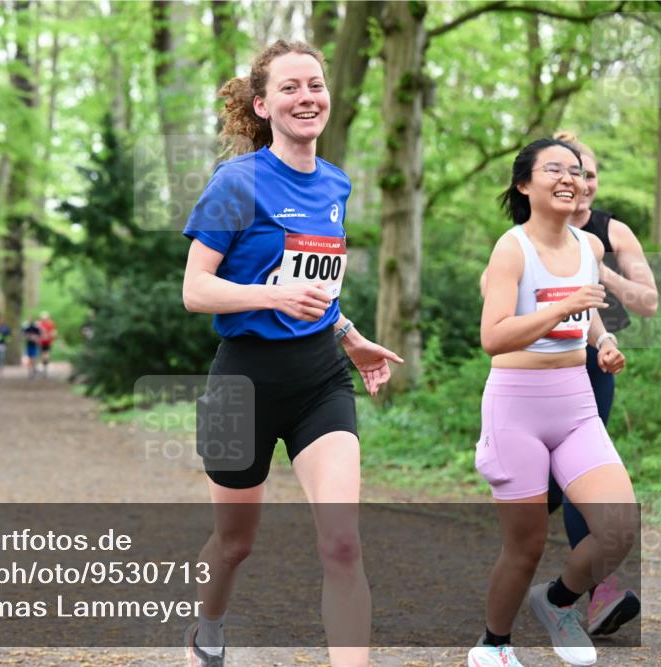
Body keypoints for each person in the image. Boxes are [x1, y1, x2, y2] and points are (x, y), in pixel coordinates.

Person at [181, 40, 403, 667]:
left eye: (315, 84)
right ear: (263, 104)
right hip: (242, 383)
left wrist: (349, 334)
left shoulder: (335, 183)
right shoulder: (237, 182)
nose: (306, 97)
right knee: (234, 544)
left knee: (341, 544)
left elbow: (317, 287)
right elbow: (196, 290)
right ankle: (210, 625)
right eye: (289, 88)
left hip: (319, 381)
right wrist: (269, 294)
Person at [468, 138, 637, 667]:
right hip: (516, 408)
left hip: (575, 406)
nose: (571, 178)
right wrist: (564, 306)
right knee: (525, 548)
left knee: (619, 527)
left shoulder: (589, 248)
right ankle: (493, 646)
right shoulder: (511, 248)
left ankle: (559, 599)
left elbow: (587, 316)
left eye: (578, 172)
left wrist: (604, 343)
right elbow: (494, 336)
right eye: (555, 169)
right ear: (525, 184)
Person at [545, 131, 656, 636]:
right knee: (540, 489)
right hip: (535, 369)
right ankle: (538, 580)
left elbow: (647, 302)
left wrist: (595, 267)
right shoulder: (534, 229)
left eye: (588, 174)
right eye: (570, 172)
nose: (581, 183)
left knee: (577, 477)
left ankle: (597, 594)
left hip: (594, 367)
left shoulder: (614, 233)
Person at [37, 311, 57, 377]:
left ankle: (45, 367)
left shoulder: (50, 323)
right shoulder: (40, 323)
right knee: (44, 354)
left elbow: (53, 332)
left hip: (47, 341)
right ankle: (44, 366)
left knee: (46, 354)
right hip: (42, 341)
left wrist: (51, 337)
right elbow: (37, 332)